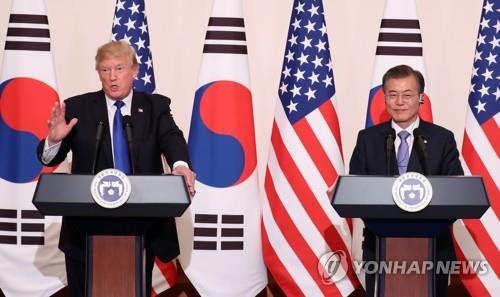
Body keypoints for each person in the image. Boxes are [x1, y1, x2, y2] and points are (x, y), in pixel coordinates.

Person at [37, 40, 196, 297]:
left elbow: (172, 137)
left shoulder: (155, 106)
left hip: (140, 227)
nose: (112, 77)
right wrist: (54, 141)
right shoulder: (78, 108)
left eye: (119, 69)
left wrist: (180, 166)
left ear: (135, 70)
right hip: (85, 229)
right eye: (105, 70)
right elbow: (49, 160)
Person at [349, 64, 463, 296]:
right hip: (380, 248)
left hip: (433, 250)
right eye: (393, 94)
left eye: (407, 94)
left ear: (421, 98)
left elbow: (456, 191)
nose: (399, 101)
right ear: (384, 98)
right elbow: (354, 190)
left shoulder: (442, 138)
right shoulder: (367, 139)